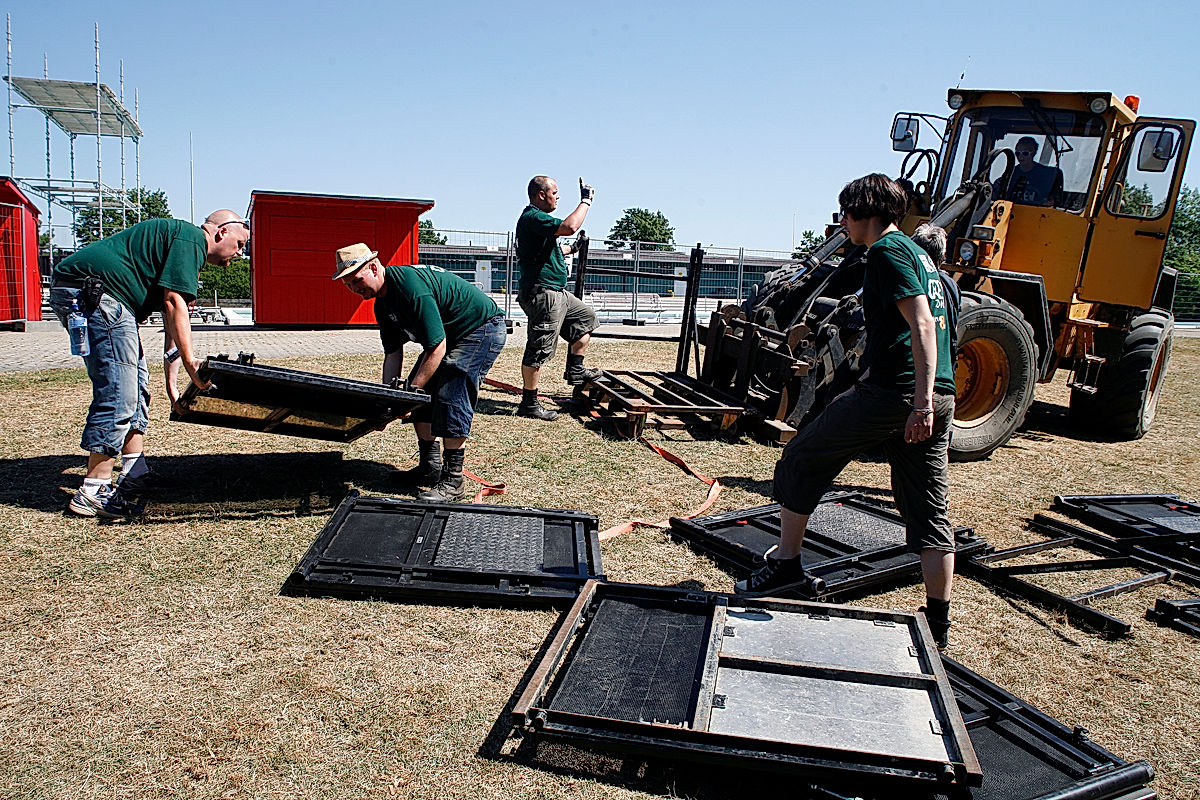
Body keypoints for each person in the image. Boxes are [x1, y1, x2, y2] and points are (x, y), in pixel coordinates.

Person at [736, 174, 959, 649]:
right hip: (938, 394)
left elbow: (920, 323)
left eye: (846, 214)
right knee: (929, 508)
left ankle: (786, 566)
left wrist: (915, 403)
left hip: (900, 395)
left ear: (864, 214)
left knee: (800, 459)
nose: (842, 223)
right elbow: (913, 330)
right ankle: (938, 623)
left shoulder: (887, 252)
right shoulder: (923, 255)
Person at [48, 210, 249, 519]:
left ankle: (133, 472)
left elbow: (171, 322)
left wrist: (172, 387)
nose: (239, 254)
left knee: (136, 386)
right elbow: (173, 302)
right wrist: (192, 362)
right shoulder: (190, 238)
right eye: (239, 244)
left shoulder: (182, 248)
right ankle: (93, 490)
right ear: (221, 232)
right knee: (119, 392)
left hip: (108, 298)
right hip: (96, 293)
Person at [333, 243, 506, 502]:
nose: (355, 289)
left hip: (481, 328)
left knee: (451, 389)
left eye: (357, 280)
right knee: (419, 392)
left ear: (373, 267)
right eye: (348, 285)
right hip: (451, 336)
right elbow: (393, 354)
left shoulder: (409, 289)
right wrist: (390, 400)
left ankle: (453, 481)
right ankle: (430, 468)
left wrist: (408, 395)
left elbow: (437, 347)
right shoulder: (383, 305)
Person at [514, 175, 600, 420]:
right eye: (555, 193)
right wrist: (586, 201)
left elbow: (552, 248)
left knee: (586, 318)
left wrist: (573, 248)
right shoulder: (533, 217)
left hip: (557, 292)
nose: (557, 198)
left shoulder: (538, 223)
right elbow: (569, 226)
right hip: (544, 293)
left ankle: (576, 370)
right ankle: (529, 403)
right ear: (541, 194)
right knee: (539, 348)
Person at [998, 136, 1064, 207]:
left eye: (1025, 153)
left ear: (1034, 153)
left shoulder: (1048, 175)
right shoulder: (1010, 173)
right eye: (1017, 153)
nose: (1020, 157)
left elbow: (1053, 200)